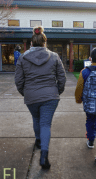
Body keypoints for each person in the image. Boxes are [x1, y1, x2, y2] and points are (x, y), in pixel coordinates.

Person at [15, 26, 66, 169]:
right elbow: (62, 78)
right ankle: (44, 154)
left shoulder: (23, 57)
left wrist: (25, 93)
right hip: (51, 97)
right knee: (45, 123)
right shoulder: (55, 56)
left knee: (36, 119)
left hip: (31, 96)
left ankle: (38, 140)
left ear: (31, 43)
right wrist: (57, 91)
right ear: (45, 43)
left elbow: (18, 80)